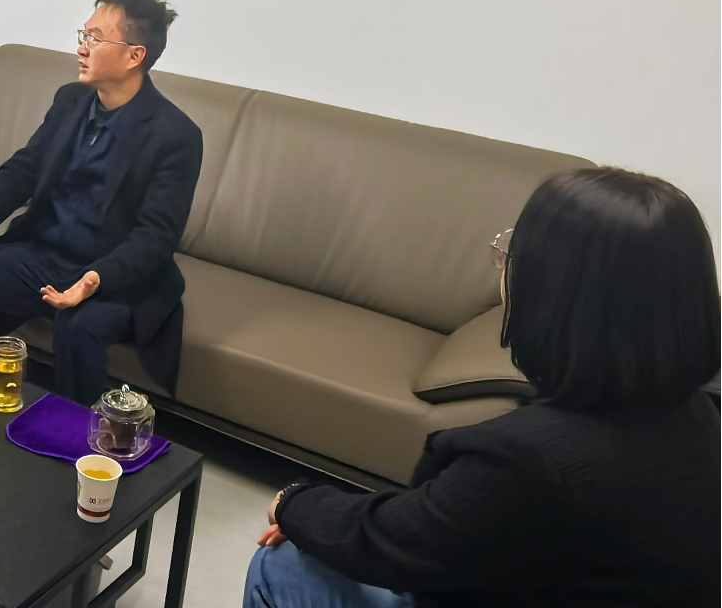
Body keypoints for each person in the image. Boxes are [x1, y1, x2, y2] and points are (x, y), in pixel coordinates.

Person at [245, 167, 721, 608]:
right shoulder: (701, 415)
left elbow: (398, 543)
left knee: (281, 566)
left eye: (515, 253)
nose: (504, 266)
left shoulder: (526, 461)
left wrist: (293, 502)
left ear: (552, 291)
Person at [0, 0, 203, 404]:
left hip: (113, 276)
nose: (81, 48)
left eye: (95, 39)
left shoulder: (175, 135)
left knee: (79, 325)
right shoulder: (71, 100)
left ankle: (75, 432)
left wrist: (94, 280)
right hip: (45, 257)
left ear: (134, 55)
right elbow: (24, 169)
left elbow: (156, 237)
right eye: (83, 35)